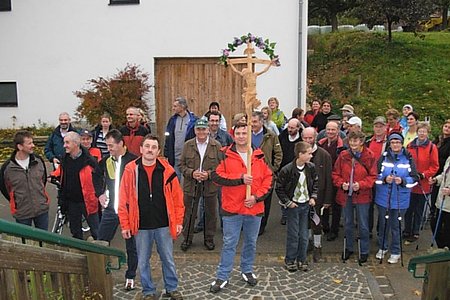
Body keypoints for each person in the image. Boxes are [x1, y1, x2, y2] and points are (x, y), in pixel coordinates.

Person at [118, 135, 184, 300]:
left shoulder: (167, 171)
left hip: (163, 223)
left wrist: (178, 221)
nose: (150, 150)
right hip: (140, 224)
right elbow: (123, 199)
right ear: (141, 149)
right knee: (143, 261)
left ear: (158, 151)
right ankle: (148, 291)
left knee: (167, 258)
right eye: (147, 146)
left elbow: (177, 199)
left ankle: (171, 287)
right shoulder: (131, 170)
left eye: (153, 147)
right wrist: (125, 224)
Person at [209, 124, 272, 293]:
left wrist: (256, 197)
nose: (242, 136)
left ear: (250, 135)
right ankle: (222, 276)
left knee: (251, 242)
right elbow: (216, 176)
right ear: (233, 135)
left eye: (245, 133)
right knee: (230, 243)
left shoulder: (259, 155)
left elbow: (268, 179)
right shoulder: (224, 154)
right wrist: (240, 178)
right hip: (232, 208)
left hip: (254, 207)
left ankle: (247, 270)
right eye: (238, 133)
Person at [97, 129, 138, 291]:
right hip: (111, 210)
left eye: (111, 145)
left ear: (121, 143)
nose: (109, 148)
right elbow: (96, 176)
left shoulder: (134, 161)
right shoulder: (106, 161)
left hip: (129, 211)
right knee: (101, 241)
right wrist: (99, 193)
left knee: (131, 246)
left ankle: (131, 276)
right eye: (107, 145)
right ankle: (99, 272)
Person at [332, 131, 377, 264]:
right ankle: (348, 247)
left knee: (363, 225)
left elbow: (373, 176)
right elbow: (335, 174)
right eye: (351, 141)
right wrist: (341, 184)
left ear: (361, 142)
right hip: (346, 195)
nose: (353, 143)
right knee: (347, 223)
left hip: (362, 195)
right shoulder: (343, 155)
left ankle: (364, 250)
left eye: (355, 141)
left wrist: (361, 185)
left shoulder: (369, 156)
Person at [375, 133, 418, 264]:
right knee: (383, 224)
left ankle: (396, 251)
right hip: (383, 198)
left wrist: (404, 181)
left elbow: (415, 179)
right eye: (393, 142)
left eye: (397, 142)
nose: (395, 145)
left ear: (401, 144)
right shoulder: (383, 158)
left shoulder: (408, 158)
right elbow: (375, 176)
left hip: (401, 199)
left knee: (396, 226)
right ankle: (382, 247)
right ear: (389, 144)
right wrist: (384, 179)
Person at [179, 119, 221, 251]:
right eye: (199, 129)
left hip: (210, 185)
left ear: (208, 130)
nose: (201, 132)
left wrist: (209, 174)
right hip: (191, 185)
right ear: (195, 130)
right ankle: (187, 239)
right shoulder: (187, 145)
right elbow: (181, 165)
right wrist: (192, 173)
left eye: (204, 129)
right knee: (189, 213)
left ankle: (209, 239)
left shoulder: (217, 145)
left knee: (210, 214)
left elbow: (221, 167)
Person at [276, 141, 318, 272]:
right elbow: (279, 188)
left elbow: (315, 182)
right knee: (293, 235)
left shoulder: (311, 167)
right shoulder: (287, 170)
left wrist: (313, 197)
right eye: (309, 153)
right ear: (301, 154)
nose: (311, 156)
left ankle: (302, 259)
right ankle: (290, 260)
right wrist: (288, 202)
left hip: (305, 205)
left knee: (304, 235)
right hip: (293, 206)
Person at [51, 132, 102, 240]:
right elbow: (61, 174)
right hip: (71, 203)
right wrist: (52, 176)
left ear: (76, 144)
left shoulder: (90, 161)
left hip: (88, 202)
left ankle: (101, 254)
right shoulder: (65, 159)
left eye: (67, 142)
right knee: (75, 232)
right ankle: (79, 253)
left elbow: (99, 180)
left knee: (97, 231)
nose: (64, 145)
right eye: (64, 142)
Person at [0, 131, 49, 230]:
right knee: (25, 242)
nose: (33, 145)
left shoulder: (38, 161)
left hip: (42, 209)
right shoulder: (7, 168)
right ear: (20, 146)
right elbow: (4, 188)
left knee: (44, 241)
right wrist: (17, 202)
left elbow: (43, 180)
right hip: (22, 213)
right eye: (29, 143)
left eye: (33, 142)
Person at [193, 112, 233, 233]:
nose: (214, 123)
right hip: (205, 175)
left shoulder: (226, 137)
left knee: (222, 200)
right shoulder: (202, 134)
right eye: (212, 120)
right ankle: (201, 224)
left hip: (221, 174)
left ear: (220, 122)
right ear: (208, 121)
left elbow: (231, 153)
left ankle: (223, 224)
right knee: (203, 202)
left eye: (217, 121)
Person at [301, 128, 333, 262]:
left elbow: (328, 178)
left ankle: (317, 246)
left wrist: (327, 199)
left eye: (310, 138)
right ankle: (308, 242)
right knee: (305, 222)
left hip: (318, 196)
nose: (308, 141)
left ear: (315, 137)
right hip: (303, 195)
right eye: (305, 138)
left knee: (316, 222)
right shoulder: (299, 154)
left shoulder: (324, 155)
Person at [404, 122, 439, 242]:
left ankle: (415, 231)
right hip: (410, 182)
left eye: (424, 131)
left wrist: (424, 174)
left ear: (428, 133)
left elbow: (435, 166)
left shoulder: (431, 148)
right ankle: (407, 229)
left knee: (419, 210)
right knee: (408, 208)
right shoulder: (410, 146)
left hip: (423, 183)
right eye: (420, 131)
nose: (422, 133)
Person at [251, 111, 283, 235]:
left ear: (261, 122)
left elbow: (278, 153)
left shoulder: (271, 136)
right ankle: (250, 222)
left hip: (266, 175)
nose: (252, 124)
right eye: (251, 122)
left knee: (265, 200)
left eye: (255, 122)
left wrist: (273, 169)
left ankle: (261, 225)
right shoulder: (246, 134)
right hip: (251, 174)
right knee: (251, 198)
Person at [317, 121, 347, 241]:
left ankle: (334, 230)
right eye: (328, 129)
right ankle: (325, 226)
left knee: (335, 205)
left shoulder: (341, 146)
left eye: (333, 130)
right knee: (323, 203)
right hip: (323, 178)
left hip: (335, 178)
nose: (330, 132)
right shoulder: (321, 143)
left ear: (338, 131)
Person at [366, 116, 388, 238]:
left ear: (385, 127)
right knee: (368, 206)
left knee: (382, 207)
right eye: (376, 126)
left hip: (383, 180)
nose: (378, 129)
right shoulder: (368, 141)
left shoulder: (390, 143)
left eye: (381, 126)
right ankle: (368, 230)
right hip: (370, 178)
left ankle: (381, 231)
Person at [164, 97, 198, 179]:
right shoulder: (172, 120)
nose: (173, 108)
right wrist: (166, 153)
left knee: (186, 182)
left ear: (182, 107)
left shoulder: (193, 121)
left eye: (175, 106)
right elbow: (168, 138)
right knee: (175, 180)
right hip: (174, 158)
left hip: (188, 159)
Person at [278, 118, 303, 225]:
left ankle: (294, 213)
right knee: (283, 192)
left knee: (294, 192)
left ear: (298, 128)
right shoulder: (282, 136)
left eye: (292, 128)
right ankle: (284, 214)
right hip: (283, 169)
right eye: (288, 127)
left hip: (296, 169)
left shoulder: (302, 140)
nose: (290, 130)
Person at [429, 156, 450, 248]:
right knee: (434, 224)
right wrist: (436, 179)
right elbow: (444, 174)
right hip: (442, 201)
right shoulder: (449, 158)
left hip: (448, 204)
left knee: (447, 231)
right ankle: (442, 249)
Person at [430, 119, 450, 215]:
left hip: (443, 170)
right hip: (434, 170)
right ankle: (433, 210)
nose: (447, 129)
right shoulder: (438, 139)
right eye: (445, 126)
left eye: (449, 128)